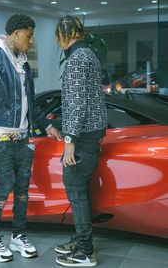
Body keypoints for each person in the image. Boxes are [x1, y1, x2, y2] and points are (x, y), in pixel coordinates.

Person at [0, 14, 61, 263]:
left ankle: (18, 235)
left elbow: (31, 101)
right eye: (29, 36)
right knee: (4, 187)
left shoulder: (23, 63)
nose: (31, 42)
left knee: (22, 190)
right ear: (16, 33)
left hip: (23, 138)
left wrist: (47, 125)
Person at [54, 16, 107, 267]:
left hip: (82, 139)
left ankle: (85, 251)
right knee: (80, 193)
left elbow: (77, 104)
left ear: (63, 36)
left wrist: (69, 140)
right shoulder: (90, 55)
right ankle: (79, 241)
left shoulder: (75, 59)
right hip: (92, 135)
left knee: (76, 193)